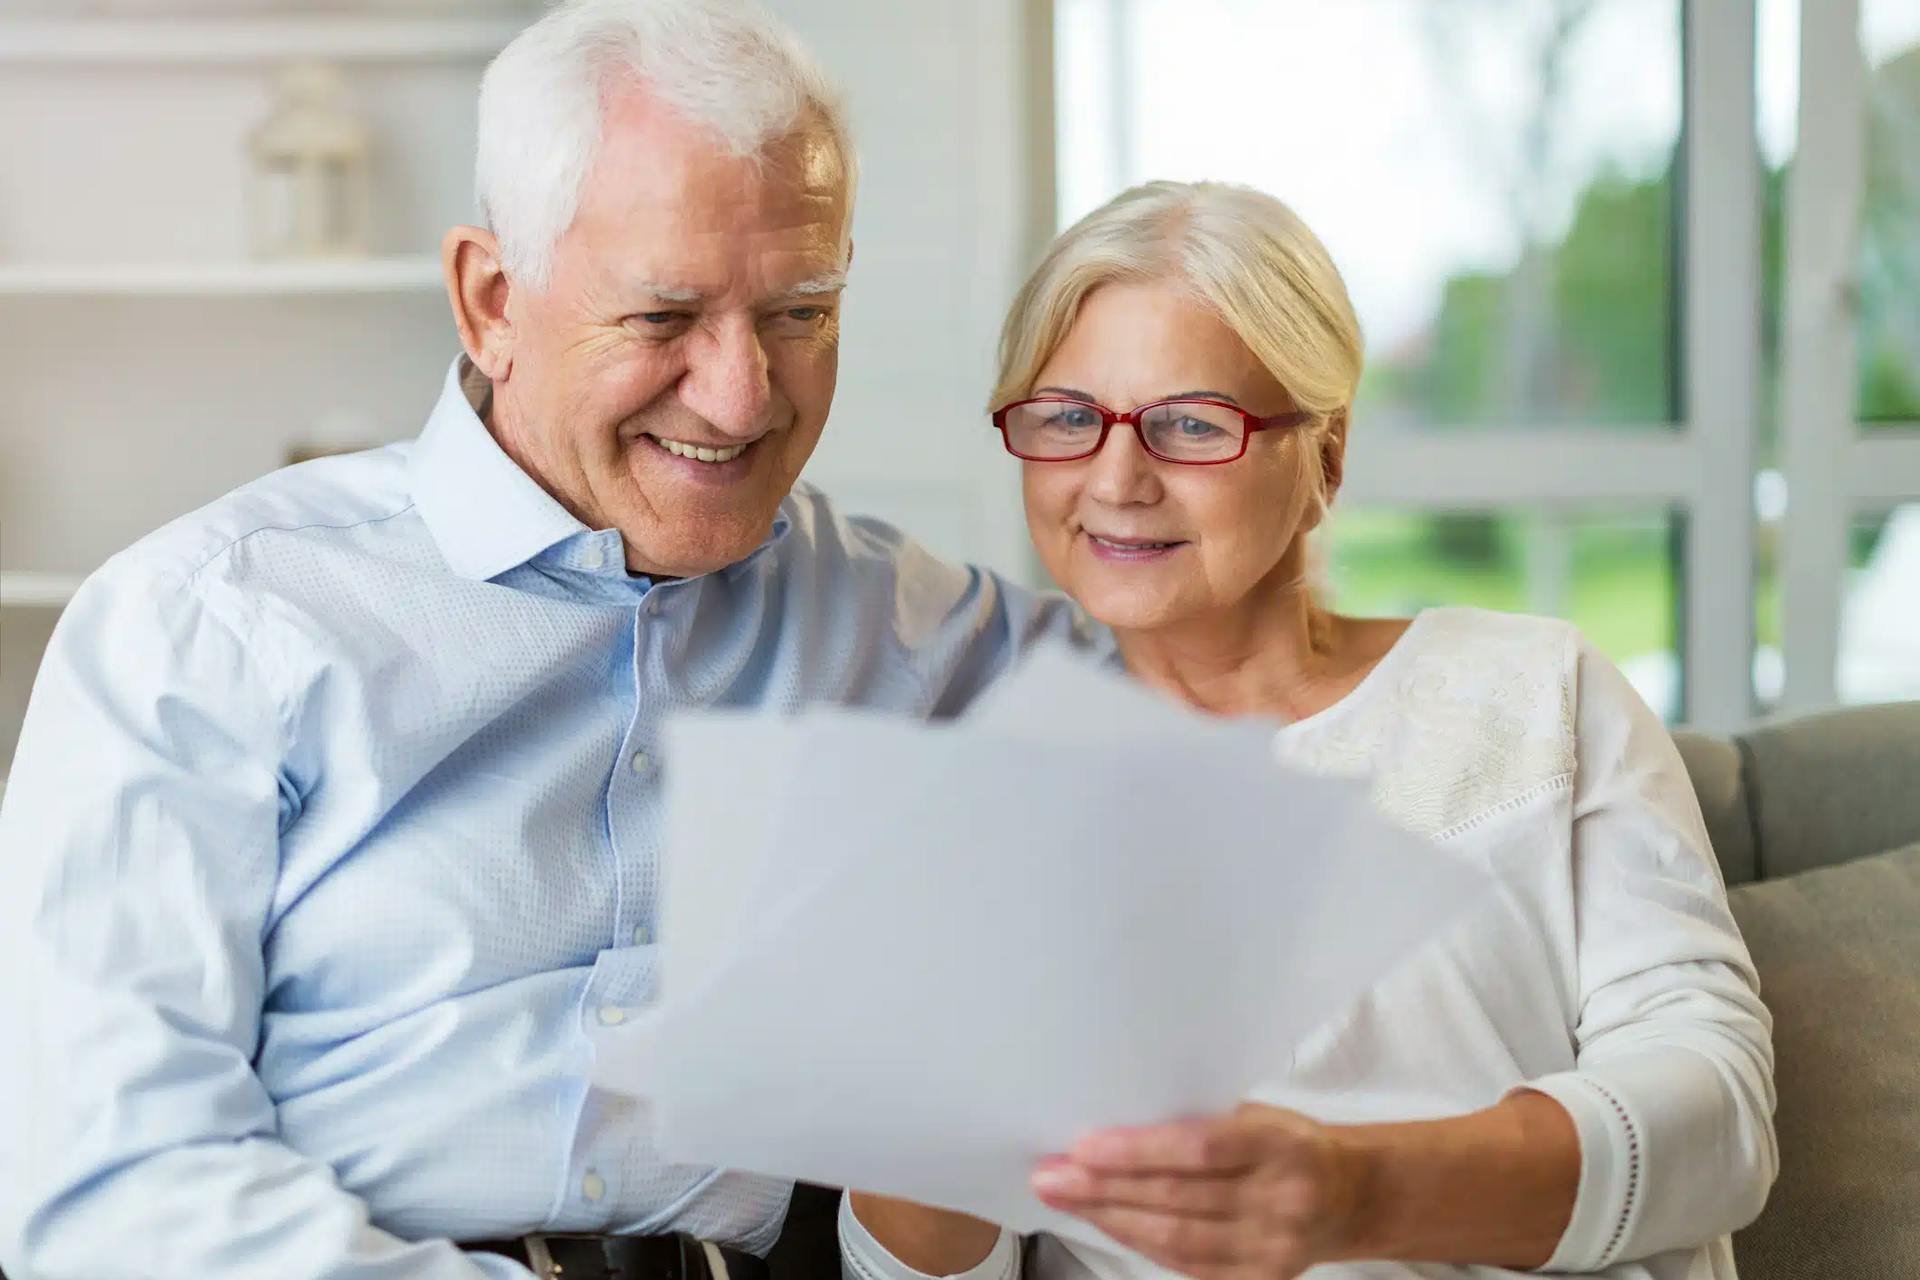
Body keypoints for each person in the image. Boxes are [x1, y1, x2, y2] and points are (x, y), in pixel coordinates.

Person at [0, 3, 1089, 1278]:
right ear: (491, 298)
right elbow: (111, 1192)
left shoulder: (911, 625)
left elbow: (1263, 736)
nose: (742, 396)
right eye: (663, 317)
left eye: (800, 312)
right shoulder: (209, 624)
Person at [843, 180, 1777, 1280]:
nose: (1116, 478)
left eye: (1190, 423)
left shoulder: (1538, 694)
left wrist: (1357, 1193)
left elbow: (1721, 1117)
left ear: (1325, 456)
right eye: (1067, 418)